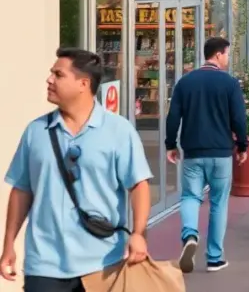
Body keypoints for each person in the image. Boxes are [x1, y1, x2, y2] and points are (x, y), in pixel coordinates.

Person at [1, 49, 152, 291]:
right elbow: (21, 190)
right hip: (44, 264)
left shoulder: (119, 131)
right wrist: (8, 244)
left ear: (83, 84)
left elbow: (138, 185)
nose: (49, 80)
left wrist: (139, 233)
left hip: (103, 262)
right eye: (51, 74)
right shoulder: (36, 132)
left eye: (58, 75)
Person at [165, 36, 248, 274]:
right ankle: (214, 257)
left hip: (192, 152)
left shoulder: (185, 82)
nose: (228, 59)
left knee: (191, 196)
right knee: (219, 203)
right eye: (227, 54)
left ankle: (190, 233)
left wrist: (171, 144)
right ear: (219, 55)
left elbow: (173, 117)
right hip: (221, 152)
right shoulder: (229, 83)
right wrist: (242, 146)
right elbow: (239, 119)